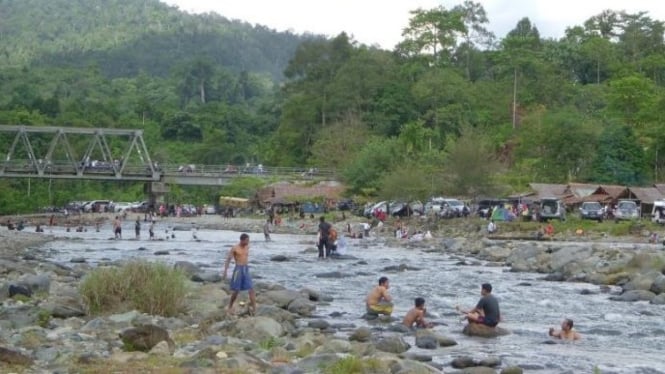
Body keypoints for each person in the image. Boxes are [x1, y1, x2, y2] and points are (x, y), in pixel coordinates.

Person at [222, 233, 256, 315]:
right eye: (247, 240)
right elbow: (228, 260)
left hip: (246, 269)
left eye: (248, 240)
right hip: (238, 269)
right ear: (242, 240)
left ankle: (254, 308)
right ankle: (230, 306)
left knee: (251, 289)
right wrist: (225, 271)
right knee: (236, 290)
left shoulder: (247, 247)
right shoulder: (235, 248)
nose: (248, 242)